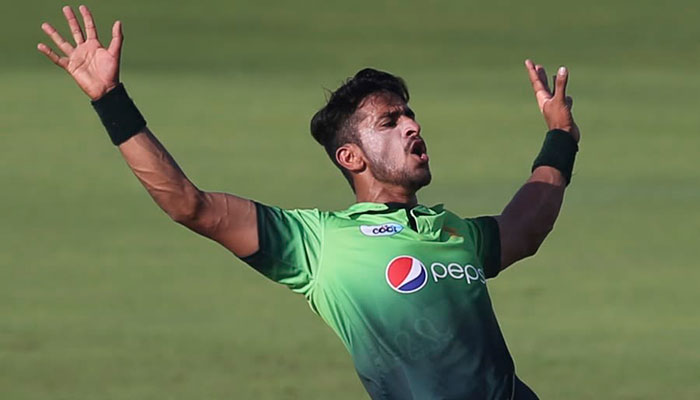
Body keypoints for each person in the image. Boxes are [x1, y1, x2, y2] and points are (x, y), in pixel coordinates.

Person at [38, 5, 580, 399]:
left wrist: (561, 136)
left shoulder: (455, 231)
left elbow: (526, 226)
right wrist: (110, 100)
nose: (412, 126)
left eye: (410, 115)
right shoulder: (317, 242)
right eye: (390, 122)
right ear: (350, 157)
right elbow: (190, 204)